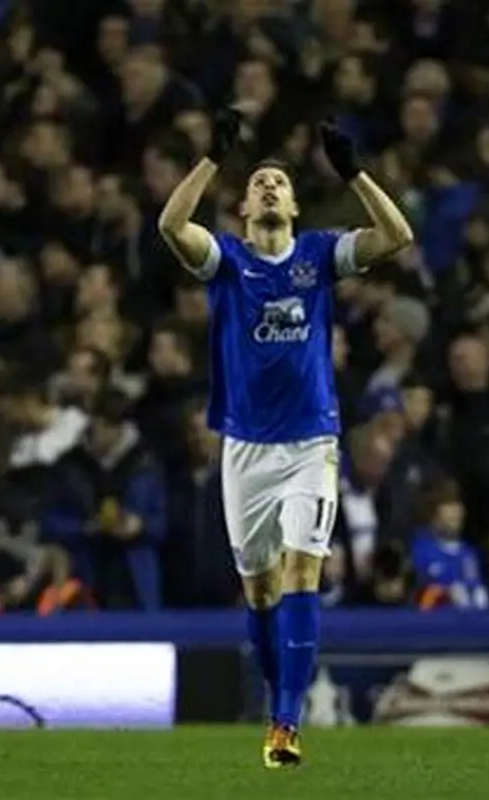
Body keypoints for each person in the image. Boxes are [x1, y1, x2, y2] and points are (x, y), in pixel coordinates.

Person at [157, 107, 413, 767]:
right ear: (243, 208)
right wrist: (212, 159)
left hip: (310, 445)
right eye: (259, 183)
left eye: (280, 183)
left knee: (303, 571)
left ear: (295, 206)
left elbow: (397, 235)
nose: (270, 186)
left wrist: (354, 172)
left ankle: (286, 725)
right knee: (261, 591)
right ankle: (280, 696)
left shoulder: (319, 255)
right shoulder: (228, 261)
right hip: (244, 448)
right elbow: (171, 226)